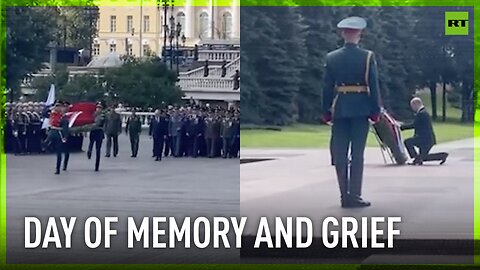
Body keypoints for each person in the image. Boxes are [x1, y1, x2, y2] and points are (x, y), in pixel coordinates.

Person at [322, 16, 381, 208]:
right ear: (359, 34)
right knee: (357, 154)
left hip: (340, 108)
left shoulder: (332, 58)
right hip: (361, 108)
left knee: (340, 154)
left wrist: (326, 111)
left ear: (342, 34)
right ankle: (354, 194)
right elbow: (374, 85)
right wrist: (375, 110)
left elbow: (327, 87)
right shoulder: (368, 57)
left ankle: (343, 195)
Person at [401, 97, 449, 165]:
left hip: (425, 139)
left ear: (416, 104)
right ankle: (442, 155)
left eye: (412, 106)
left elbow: (415, 125)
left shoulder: (422, 113)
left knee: (408, 142)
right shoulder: (423, 112)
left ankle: (416, 159)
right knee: (424, 157)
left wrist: (402, 127)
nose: (412, 108)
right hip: (426, 139)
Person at [49, 101, 70, 175]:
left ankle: (58, 168)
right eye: (56, 106)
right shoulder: (53, 114)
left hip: (60, 135)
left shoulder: (63, 117)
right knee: (47, 144)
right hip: (52, 133)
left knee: (59, 152)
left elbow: (65, 128)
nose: (57, 107)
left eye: (59, 106)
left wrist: (65, 137)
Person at [87, 102, 106, 171]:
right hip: (93, 132)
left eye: (100, 107)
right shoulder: (93, 114)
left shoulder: (102, 116)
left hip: (99, 132)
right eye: (97, 107)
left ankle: (96, 166)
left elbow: (99, 123)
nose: (98, 109)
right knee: (91, 144)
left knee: (98, 150)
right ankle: (89, 152)